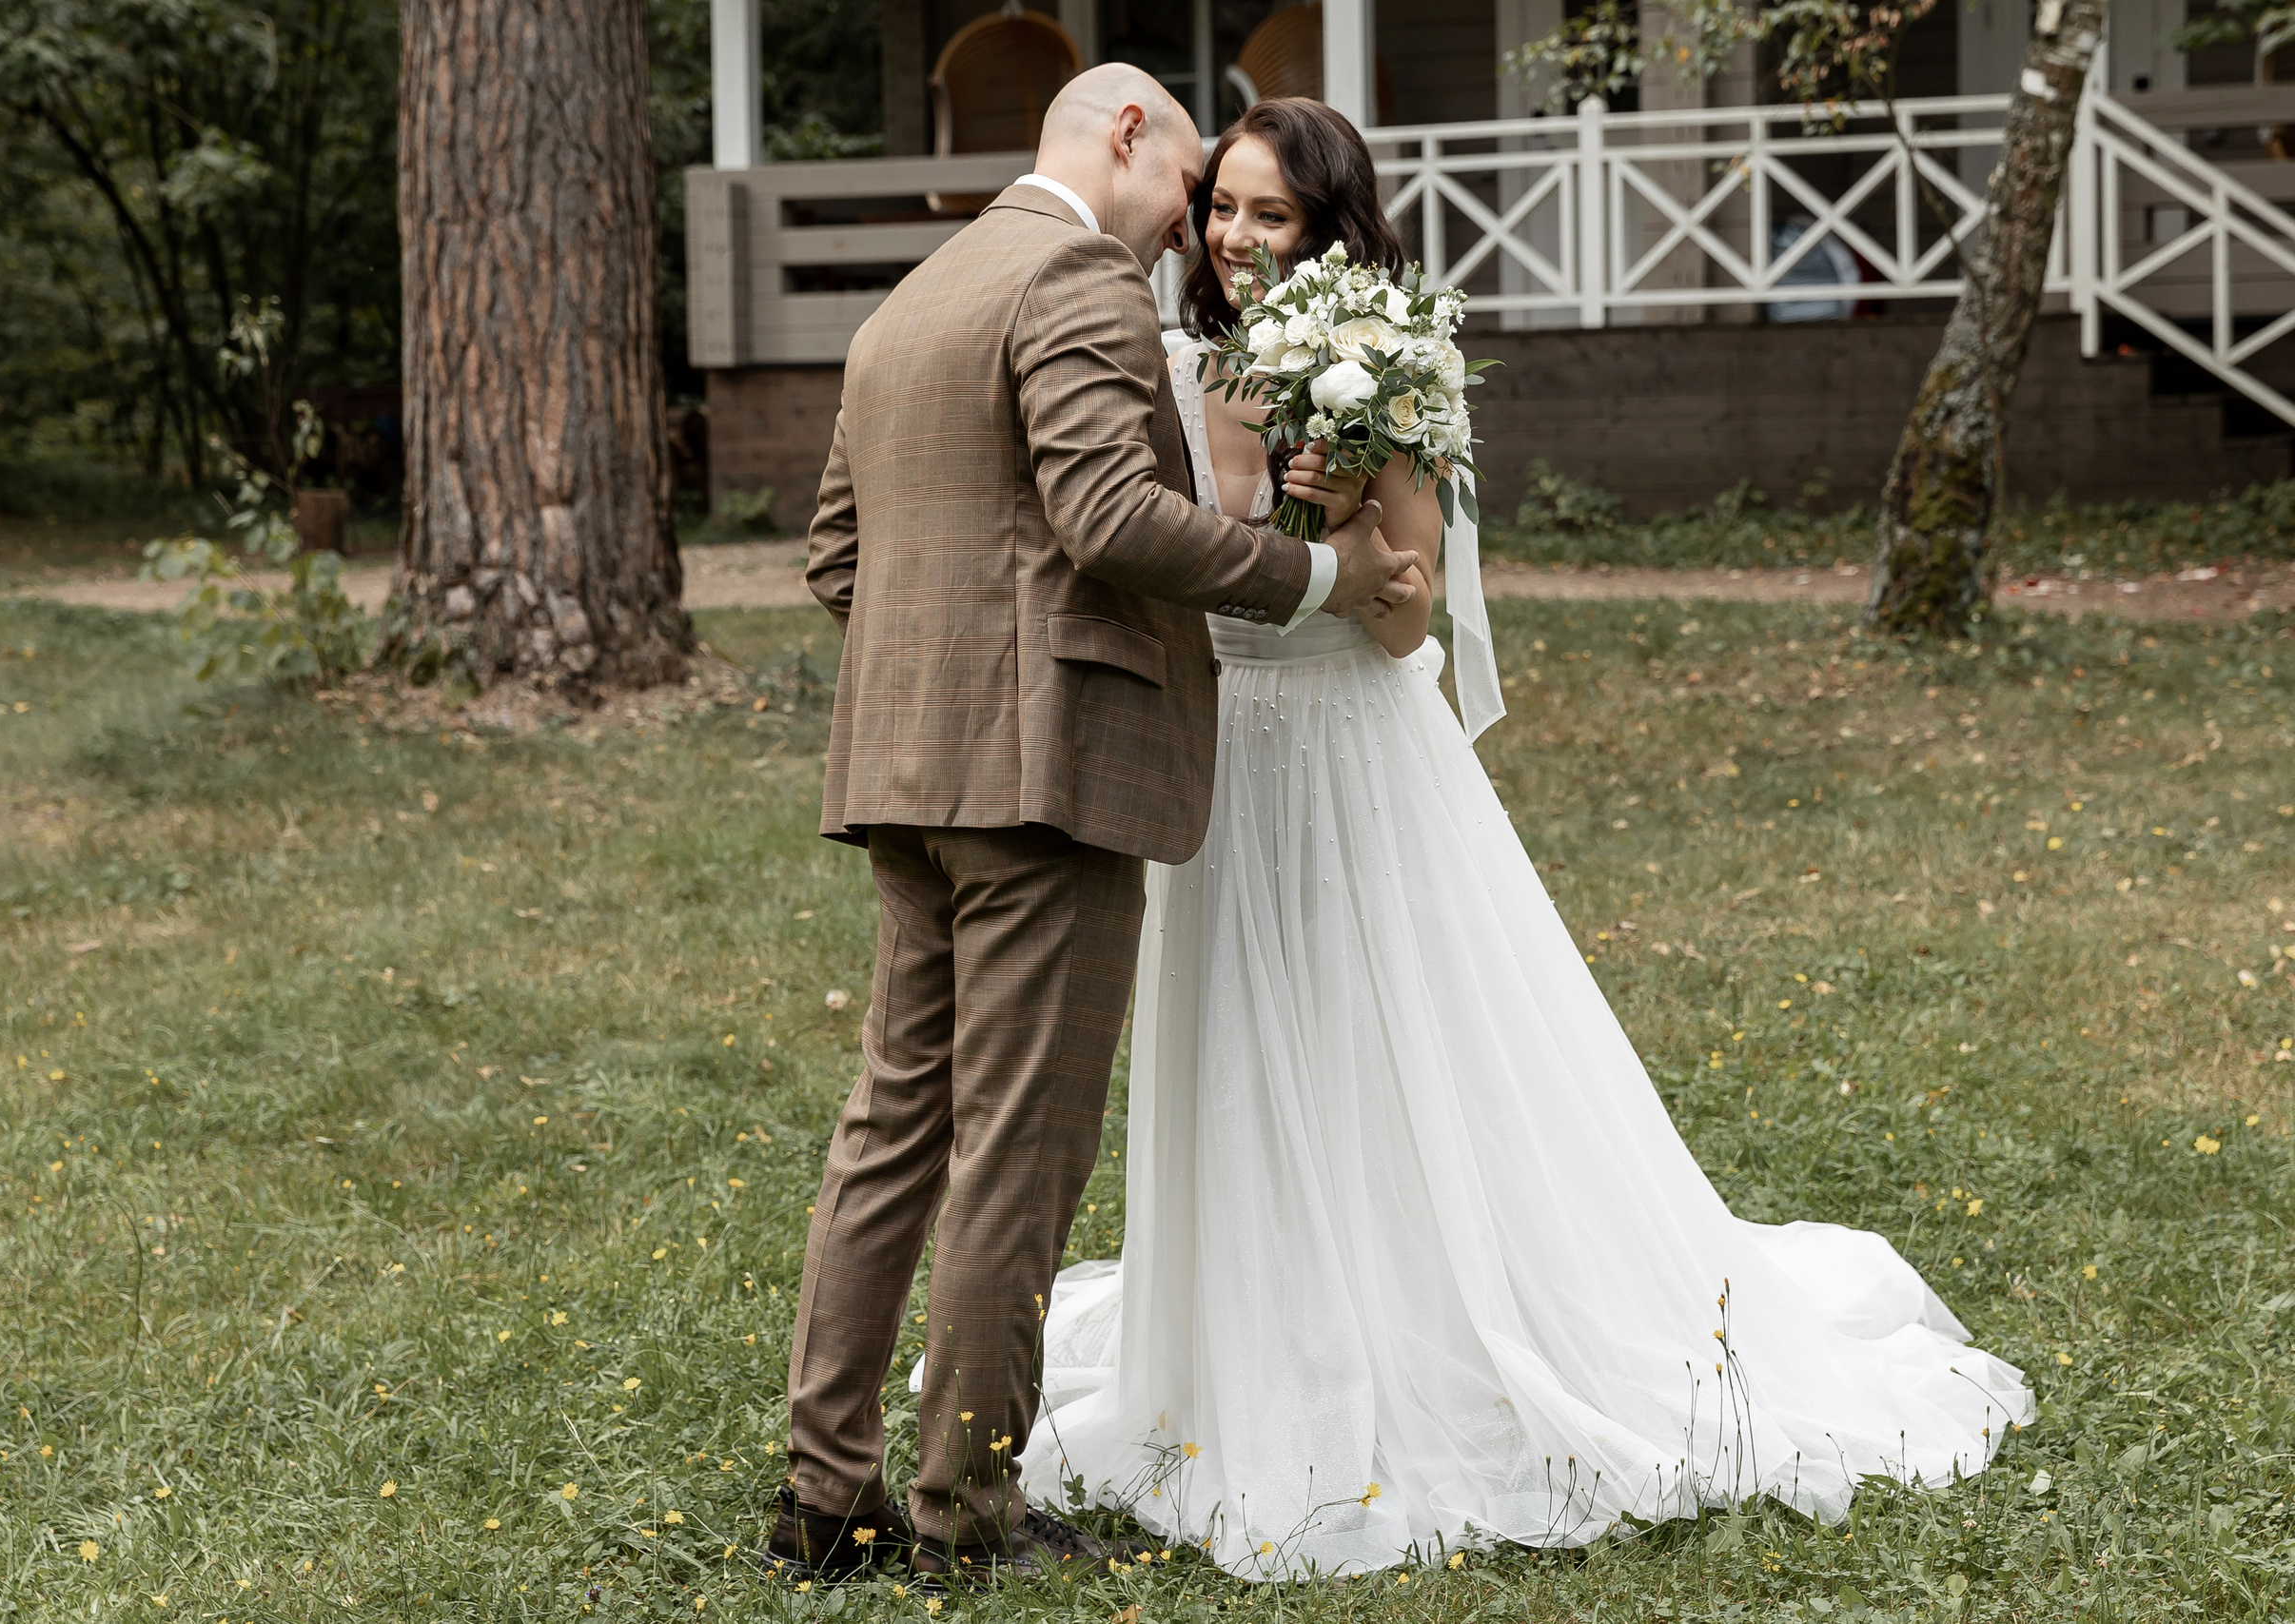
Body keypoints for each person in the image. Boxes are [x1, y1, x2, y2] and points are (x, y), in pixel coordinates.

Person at [1012, 97, 2038, 1580]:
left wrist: (1342, 531)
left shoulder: (1391, 372)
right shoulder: (1163, 365)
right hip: (1221, 762)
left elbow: (1413, 608)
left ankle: (1432, 1329)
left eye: (1270, 216)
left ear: (1331, 228)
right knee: (1241, 1048)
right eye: (1220, 208)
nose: (1233, 240)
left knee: (1389, 1047)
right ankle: (1258, 1337)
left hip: (1351, 753)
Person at [765, 67, 1423, 1588]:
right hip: (1046, 781)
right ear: (1127, 135)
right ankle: (960, 1517)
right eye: (1192, 179)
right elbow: (1108, 516)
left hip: (904, 776)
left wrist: (943, 682)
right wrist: (1315, 583)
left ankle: (823, 1495)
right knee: (1016, 1151)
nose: (1196, 218)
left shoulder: (914, 296)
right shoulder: (1080, 279)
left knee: (892, 1131)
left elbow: (833, 554)